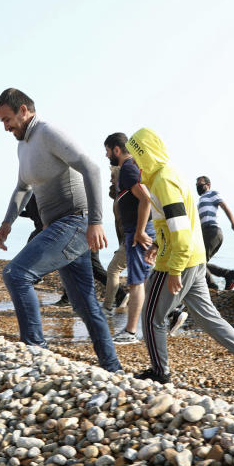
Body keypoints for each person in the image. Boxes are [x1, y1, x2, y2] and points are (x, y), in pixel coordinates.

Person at [129, 127, 234, 396]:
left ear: (145, 153)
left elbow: (181, 232)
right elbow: (178, 222)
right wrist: (158, 244)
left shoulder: (163, 180)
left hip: (180, 260)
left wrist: (173, 270)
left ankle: (161, 373)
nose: (135, 164)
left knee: (151, 318)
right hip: (195, 259)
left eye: (137, 157)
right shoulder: (171, 175)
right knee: (209, 318)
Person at [0, 88, 122, 373]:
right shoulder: (22, 145)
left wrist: (96, 222)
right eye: (1, 122)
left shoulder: (48, 132)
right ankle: (114, 370)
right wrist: (7, 222)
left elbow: (91, 168)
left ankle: (37, 356)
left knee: (16, 274)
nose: (5, 127)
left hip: (76, 222)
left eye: (7, 119)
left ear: (24, 110)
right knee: (86, 306)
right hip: (59, 227)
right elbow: (23, 188)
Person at [104, 133, 156, 344]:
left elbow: (145, 199)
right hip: (136, 229)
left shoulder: (127, 168)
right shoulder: (129, 168)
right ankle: (171, 314)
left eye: (107, 150)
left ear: (116, 149)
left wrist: (139, 231)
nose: (106, 154)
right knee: (144, 280)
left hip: (138, 230)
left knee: (136, 283)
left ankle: (131, 331)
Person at [196, 176, 234, 290]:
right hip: (206, 232)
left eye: (200, 183)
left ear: (208, 185)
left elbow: (224, 206)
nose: (198, 186)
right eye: (196, 184)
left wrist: (233, 222)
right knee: (200, 262)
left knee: (198, 262)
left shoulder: (212, 194)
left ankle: (213, 286)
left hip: (212, 231)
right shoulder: (200, 201)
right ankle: (229, 274)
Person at [102, 165, 130, 314]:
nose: (110, 180)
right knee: (144, 279)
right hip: (127, 240)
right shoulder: (120, 195)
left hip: (132, 239)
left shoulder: (126, 195)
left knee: (113, 269)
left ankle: (107, 307)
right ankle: (173, 312)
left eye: (113, 177)